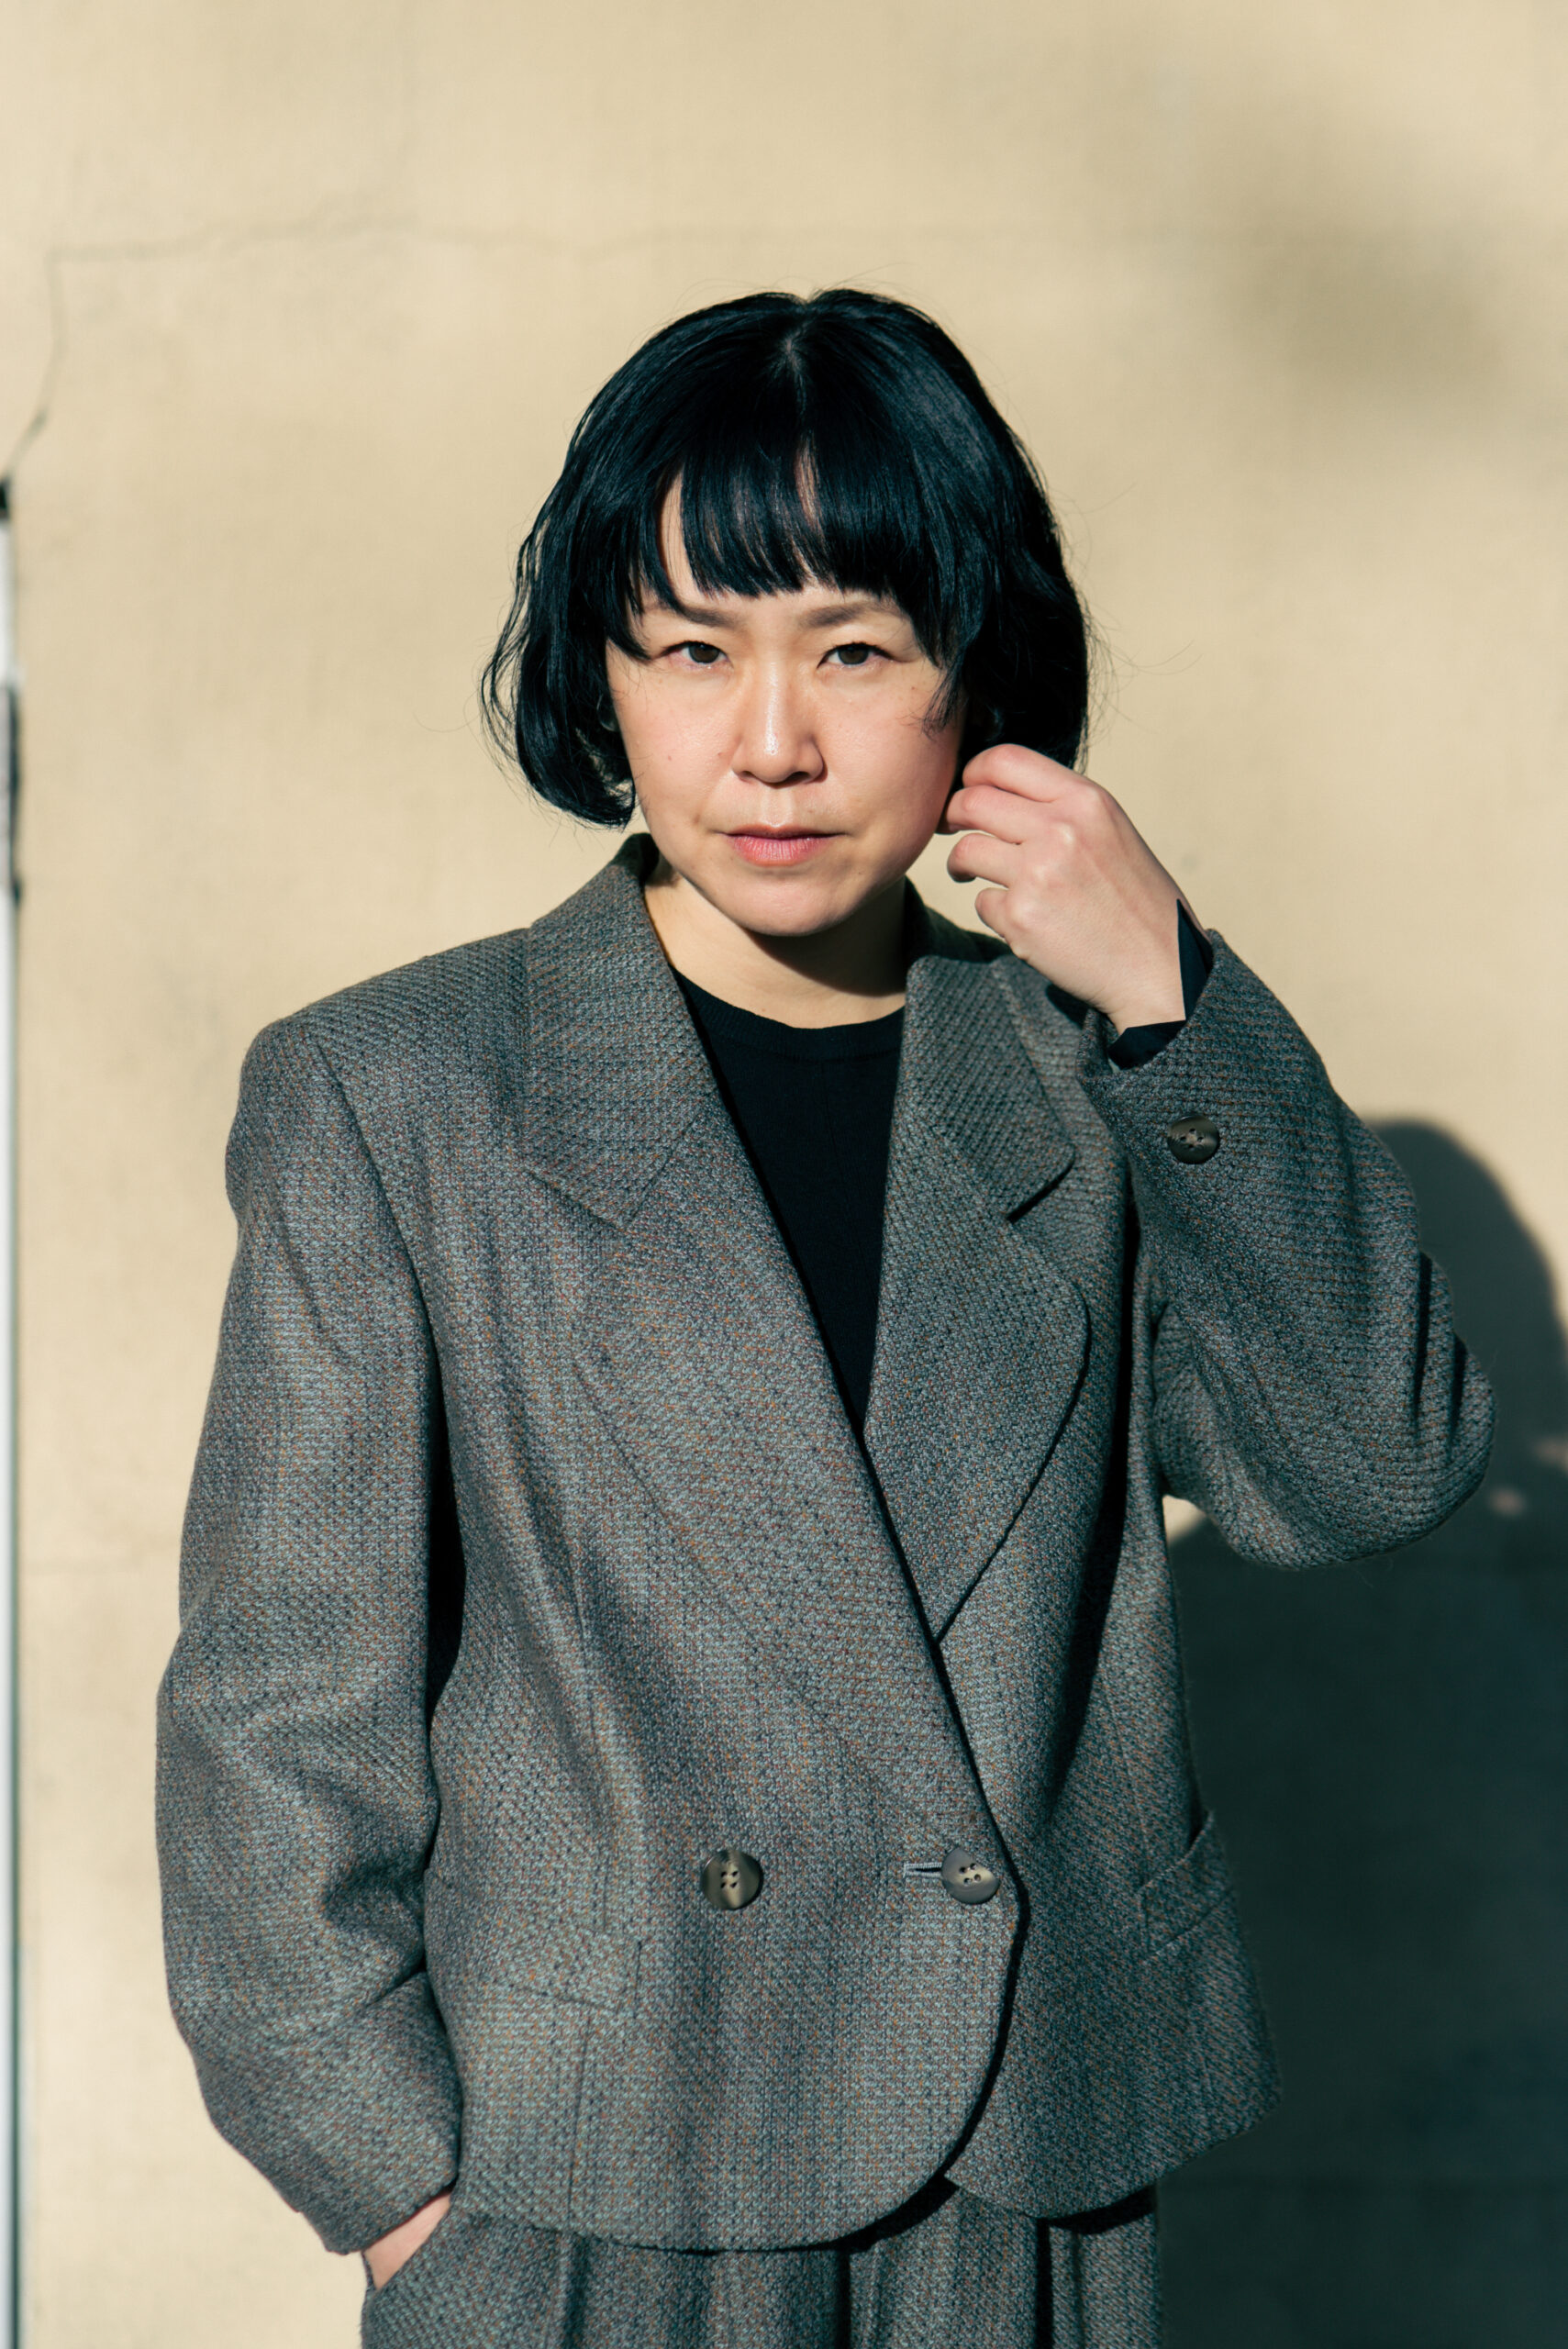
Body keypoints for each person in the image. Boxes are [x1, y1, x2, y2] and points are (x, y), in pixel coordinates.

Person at [156, 289, 1493, 2348]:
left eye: (855, 650)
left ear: (977, 677)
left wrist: (1175, 1001)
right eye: (692, 650)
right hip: (588, 2189)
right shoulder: (401, 1093)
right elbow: (278, 1705)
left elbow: (1366, 1470)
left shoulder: (1085, 1077)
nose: (771, 741)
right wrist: (403, 2194)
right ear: (603, 677)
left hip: (1021, 2176)